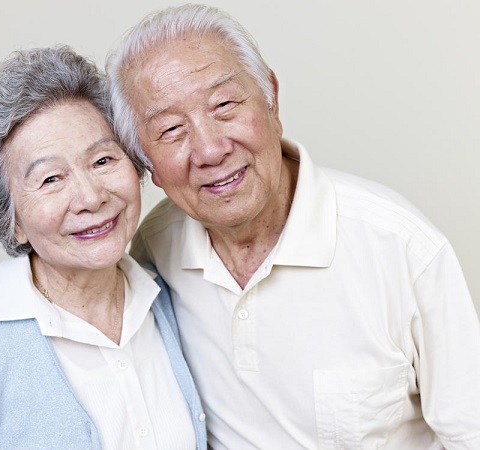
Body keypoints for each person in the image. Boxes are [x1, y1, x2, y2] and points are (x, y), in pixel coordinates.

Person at [106, 4, 480, 449]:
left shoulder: (402, 249)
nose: (209, 149)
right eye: (171, 129)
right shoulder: (151, 249)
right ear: (146, 165)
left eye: (224, 105)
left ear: (271, 100)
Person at [0, 46, 206, 449]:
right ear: (11, 220)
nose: (90, 197)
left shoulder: (174, 292)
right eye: (50, 179)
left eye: (102, 160)